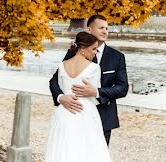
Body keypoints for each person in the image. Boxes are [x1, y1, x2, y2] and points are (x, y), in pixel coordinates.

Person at [36, 31, 131, 162]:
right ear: (82, 47)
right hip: (84, 117)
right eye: (92, 49)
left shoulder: (63, 65)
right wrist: (82, 94)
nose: (95, 53)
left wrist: (64, 96)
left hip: (63, 118)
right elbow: (91, 97)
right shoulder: (93, 68)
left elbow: (61, 84)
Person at [49, 14, 129, 145]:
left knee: (97, 161)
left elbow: (122, 88)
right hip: (74, 114)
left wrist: (96, 92)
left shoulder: (117, 57)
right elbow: (54, 80)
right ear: (89, 30)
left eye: (107, 28)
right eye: (101, 27)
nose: (105, 31)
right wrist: (60, 98)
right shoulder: (74, 52)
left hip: (104, 118)